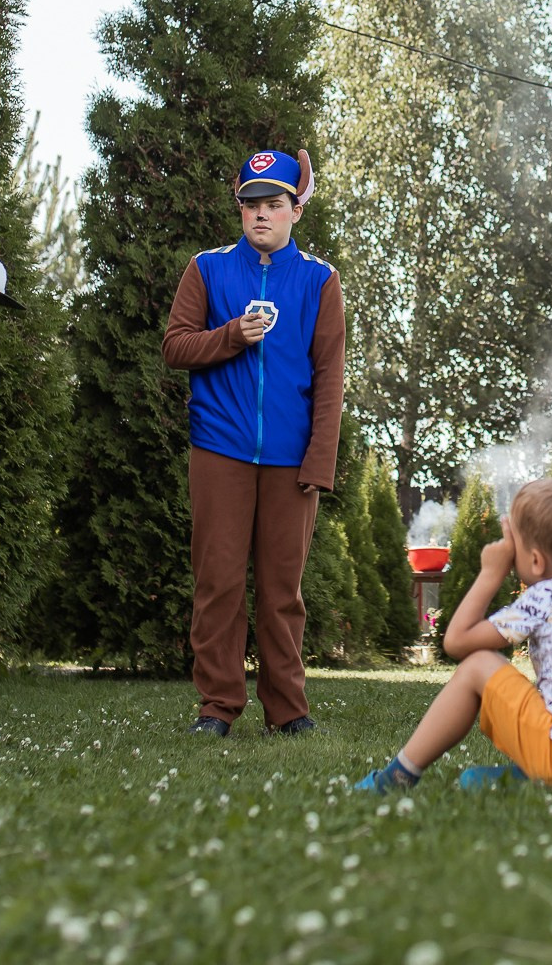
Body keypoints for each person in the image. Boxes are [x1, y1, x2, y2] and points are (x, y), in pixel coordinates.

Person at [163, 147, 345, 737]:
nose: (260, 215)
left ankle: (288, 711)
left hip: (292, 460)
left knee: (281, 593)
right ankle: (216, 708)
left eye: (273, 204)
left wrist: (320, 461)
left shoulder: (321, 280)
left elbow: (329, 381)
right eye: (250, 205)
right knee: (217, 584)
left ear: (297, 209)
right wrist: (231, 336)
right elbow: (175, 347)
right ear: (239, 209)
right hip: (219, 450)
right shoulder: (208, 269)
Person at [352, 476, 552, 791]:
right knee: (480, 777)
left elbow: (457, 642)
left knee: (479, 665)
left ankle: (395, 778)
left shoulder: (548, 595)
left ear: (536, 561)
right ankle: (527, 780)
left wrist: (491, 573)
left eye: (514, 544)